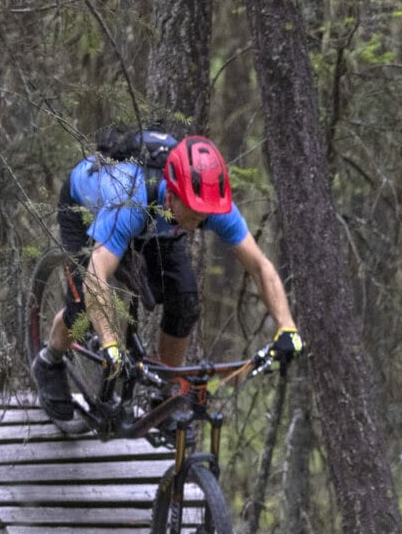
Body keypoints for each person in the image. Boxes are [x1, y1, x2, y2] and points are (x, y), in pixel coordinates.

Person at [31, 127, 302, 423]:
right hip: (85, 208)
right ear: (172, 195)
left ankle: (164, 395)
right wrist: (110, 345)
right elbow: (96, 274)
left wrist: (286, 326)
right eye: (196, 211)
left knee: (184, 302)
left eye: (207, 212)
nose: (202, 219)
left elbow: (260, 267)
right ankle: (49, 360)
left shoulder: (207, 204)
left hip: (157, 223)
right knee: (81, 306)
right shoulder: (131, 199)